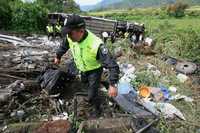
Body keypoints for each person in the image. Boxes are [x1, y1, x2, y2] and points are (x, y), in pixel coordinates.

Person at [54, 14, 119, 116]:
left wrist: (113, 84)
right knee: (86, 86)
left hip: (94, 71)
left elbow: (113, 65)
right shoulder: (70, 37)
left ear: (81, 30)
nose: (69, 36)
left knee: (92, 94)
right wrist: (58, 56)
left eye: (71, 33)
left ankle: (97, 110)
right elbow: (64, 46)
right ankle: (96, 88)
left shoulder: (96, 44)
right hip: (82, 69)